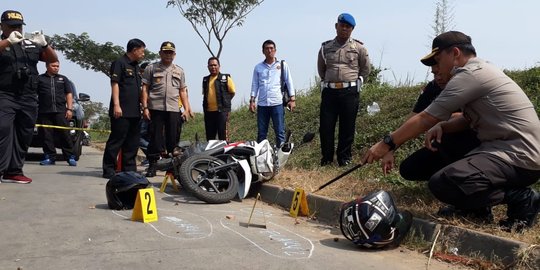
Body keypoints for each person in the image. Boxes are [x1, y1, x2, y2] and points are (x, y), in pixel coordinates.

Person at [362, 31, 540, 232]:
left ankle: (522, 199)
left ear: (455, 53)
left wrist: (387, 143)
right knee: (436, 166)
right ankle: (474, 208)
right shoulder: (480, 70)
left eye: (438, 60)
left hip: (519, 156)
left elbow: (425, 118)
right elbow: (465, 119)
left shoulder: (470, 75)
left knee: (444, 183)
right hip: (509, 151)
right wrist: (443, 126)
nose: (435, 68)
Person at [381, 65, 480, 182]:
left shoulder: (467, 85)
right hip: (443, 144)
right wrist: (391, 148)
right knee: (408, 169)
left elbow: (466, 117)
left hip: (473, 143)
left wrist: (437, 121)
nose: (438, 78)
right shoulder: (432, 88)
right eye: (434, 74)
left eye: (440, 73)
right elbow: (412, 120)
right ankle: (447, 176)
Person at [0, 10, 58, 184]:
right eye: (11, 26)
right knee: (2, 130)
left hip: (28, 96)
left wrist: (45, 45)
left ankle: (14, 171)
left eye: (18, 26)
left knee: (24, 133)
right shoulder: (3, 42)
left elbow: (52, 59)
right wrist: (7, 42)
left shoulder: (31, 43)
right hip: (5, 94)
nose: (15, 29)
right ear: (2, 26)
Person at [317, 13, 371, 167]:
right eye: (342, 25)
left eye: (348, 27)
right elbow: (321, 69)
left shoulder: (359, 48)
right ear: (336, 26)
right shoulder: (325, 47)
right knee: (326, 126)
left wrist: (359, 81)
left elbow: (366, 68)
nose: (344, 29)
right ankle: (326, 159)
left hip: (349, 93)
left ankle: (344, 158)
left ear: (352, 29)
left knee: (347, 127)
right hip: (330, 92)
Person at [141, 41, 192, 177]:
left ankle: (172, 168)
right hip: (155, 108)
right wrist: (145, 107)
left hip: (174, 109)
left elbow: (182, 91)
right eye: (165, 52)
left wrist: (186, 109)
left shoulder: (179, 71)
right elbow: (145, 88)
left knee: (173, 139)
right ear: (160, 53)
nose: (168, 55)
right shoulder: (151, 68)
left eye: (171, 52)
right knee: (155, 137)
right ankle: (152, 165)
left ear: (174, 54)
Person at [102, 38, 146, 179]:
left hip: (134, 112)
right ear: (134, 50)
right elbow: (114, 84)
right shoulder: (119, 63)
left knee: (132, 143)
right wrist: (116, 105)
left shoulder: (136, 66)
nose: (143, 54)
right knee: (116, 141)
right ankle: (109, 169)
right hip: (121, 110)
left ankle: (129, 170)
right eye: (142, 51)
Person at [249, 39, 295, 147]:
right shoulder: (258, 67)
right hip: (262, 104)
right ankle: (261, 157)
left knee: (279, 132)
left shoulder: (282, 65)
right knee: (261, 133)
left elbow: (289, 81)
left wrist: (292, 99)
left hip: (277, 103)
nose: (269, 51)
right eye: (267, 48)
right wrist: (252, 101)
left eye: (271, 48)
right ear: (263, 51)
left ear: (275, 50)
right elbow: (255, 84)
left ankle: (281, 158)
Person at [36, 61, 77, 166]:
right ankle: (50, 157)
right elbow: (33, 94)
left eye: (57, 66)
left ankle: (70, 157)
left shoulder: (63, 79)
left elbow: (69, 94)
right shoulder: (40, 79)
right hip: (44, 112)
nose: (56, 68)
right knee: (46, 136)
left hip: (61, 112)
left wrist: (69, 109)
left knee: (65, 135)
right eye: (53, 66)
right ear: (47, 66)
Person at [202, 56, 235, 141]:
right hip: (209, 112)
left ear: (219, 66)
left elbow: (232, 92)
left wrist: (225, 101)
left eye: (215, 65)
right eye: (211, 65)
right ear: (208, 67)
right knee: (210, 137)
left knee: (223, 135)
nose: (213, 67)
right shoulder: (205, 80)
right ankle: (212, 154)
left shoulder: (226, 78)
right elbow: (205, 95)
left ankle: (225, 153)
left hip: (222, 112)